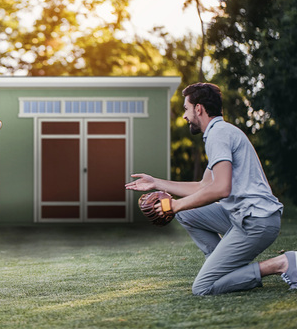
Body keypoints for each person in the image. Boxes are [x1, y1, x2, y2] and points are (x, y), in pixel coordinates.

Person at [125, 83, 297, 295]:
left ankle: (282, 263)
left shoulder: (218, 135)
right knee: (187, 213)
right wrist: (156, 183)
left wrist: (175, 205)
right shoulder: (220, 132)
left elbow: (221, 189)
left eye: (186, 109)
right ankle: (224, 267)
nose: (185, 116)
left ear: (199, 109)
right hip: (243, 216)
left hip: (256, 221)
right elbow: (203, 186)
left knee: (203, 288)